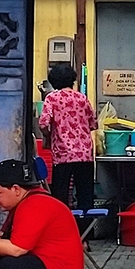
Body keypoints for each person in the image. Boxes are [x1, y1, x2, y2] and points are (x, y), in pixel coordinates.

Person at [39, 63, 98, 211]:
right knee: (85, 196)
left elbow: (43, 124)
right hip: (85, 154)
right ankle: (86, 230)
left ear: (53, 81)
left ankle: (63, 229)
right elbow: (93, 124)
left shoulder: (52, 98)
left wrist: (48, 135)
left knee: (61, 197)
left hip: (63, 154)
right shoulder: (82, 98)